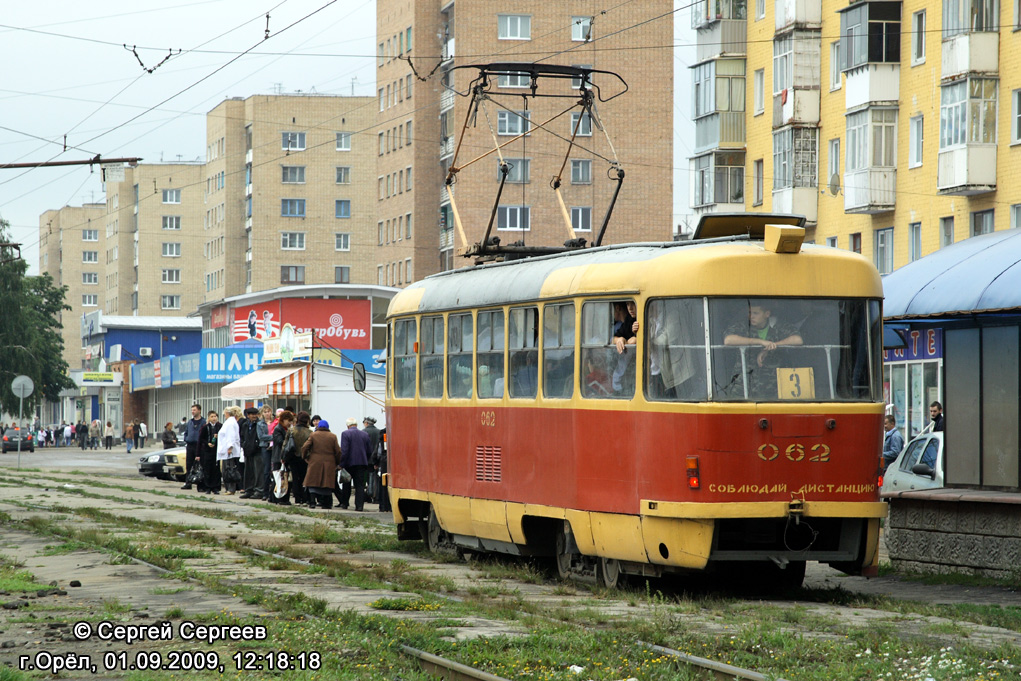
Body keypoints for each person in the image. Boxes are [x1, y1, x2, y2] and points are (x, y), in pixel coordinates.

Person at [723, 301, 803, 398]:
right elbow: (728, 340)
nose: (751, 316)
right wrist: (759, 342)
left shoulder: (779, 326)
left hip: (772, 385)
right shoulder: (743, 326)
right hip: (743, 383)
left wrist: (771, 346)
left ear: (767, 314)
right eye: (750, 313)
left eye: (755, 313)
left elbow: (797, 340)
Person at [301, 419, 343, 510]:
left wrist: (305, 457)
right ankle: (326, 504)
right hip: (329, 462)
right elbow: (338, 451)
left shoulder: (313, 435)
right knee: (327, 483)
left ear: (318, 426)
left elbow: (305, 447)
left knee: (312, 482)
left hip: (314, 461)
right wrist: (337, 462)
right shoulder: (333, 436)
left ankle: (312, 502)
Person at [339, 417, 372, 511]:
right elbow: (369, 450)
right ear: (356, 425)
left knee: (346, 484)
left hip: (348, 464)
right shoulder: (365, 434)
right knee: (360, 486)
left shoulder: (345, 433)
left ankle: (345, 504)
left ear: (347, 425)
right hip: (361, 463)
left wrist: (341, 463)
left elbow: (344, 451)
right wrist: (366, 459)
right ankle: (359, 506)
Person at [268, 410, 295, 505]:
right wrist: (288, 439)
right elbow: (279, 442)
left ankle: (278, 498)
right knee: (279, 478)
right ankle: (277, 498)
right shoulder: (278, 429)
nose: (290, 423)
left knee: (284, 478)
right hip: (278, 457)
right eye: (289, 421)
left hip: (285, 457)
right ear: (283, 420)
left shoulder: (288, 429)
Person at [289, 412, 313, 507]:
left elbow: (285, 444)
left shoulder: (291, 430)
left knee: (295, 478)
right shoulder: (310, 432)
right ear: (307, 420)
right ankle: (305, 498)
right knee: (304, 478)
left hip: (293, 457)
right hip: (305, 458)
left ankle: (297, 499)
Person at [217, 406, 243, 492]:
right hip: (226, 450)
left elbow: (230, 436)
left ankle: (231, 488)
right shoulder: (230, 422)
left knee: (229, 469)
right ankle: (228, 488)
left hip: (229, 451)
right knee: (226, 469)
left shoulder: (230, 423)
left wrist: (230, 447)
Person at [239, 408, 263, 499]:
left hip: (257, 451)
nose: (254, 416)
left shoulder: (259, 424)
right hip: (247, 450)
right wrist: (243, 444)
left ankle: (258, 491)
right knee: (248, 472)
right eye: (251, 414)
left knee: (258, 472)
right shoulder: (245, 425)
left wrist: (257, 444)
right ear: (248, 415)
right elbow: (241, 436)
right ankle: (249, 490)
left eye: (255, 414)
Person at [182, 404, 205, 490]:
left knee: (200, 465)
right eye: (192, 410)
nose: (193, 412)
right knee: (189, 465)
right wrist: (186, 439)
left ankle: (201, 485)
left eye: (194, 410)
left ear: (199, 410)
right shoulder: (190, 422)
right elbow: (186, 432)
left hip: (199, 446)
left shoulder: (203, 422)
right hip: (190, 445)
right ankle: (188, 483)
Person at [199, 410, 222, 494]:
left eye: (215, 416)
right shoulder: (205, 427)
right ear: (208, 418)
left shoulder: (220, 426)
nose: (214, 418)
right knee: (207, 469)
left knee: (216, 469)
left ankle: (216, 487)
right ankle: (208, 487)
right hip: (207, 451)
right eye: (212, 417)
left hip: (217, 451)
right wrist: (207, 443)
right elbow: (201, 438)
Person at [363, 417, 381, 503]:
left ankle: (368, 495)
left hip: (366, 459)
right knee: (376, 478)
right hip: (377, 459)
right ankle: (376, 496)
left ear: (366, 423)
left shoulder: (363, 432)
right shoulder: (379, 432)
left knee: (366, 479)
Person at [258, 406, 274, 500]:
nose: (267, 413)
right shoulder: (260, 424)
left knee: (275, 469)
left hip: (275, 447)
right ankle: (265, 492)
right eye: (265, 412)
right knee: (266, 470)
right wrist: (272, 437)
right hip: (265, 447)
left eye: (268, 411)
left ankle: (274, 492)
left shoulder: (275, 422)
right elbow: (261, 436)